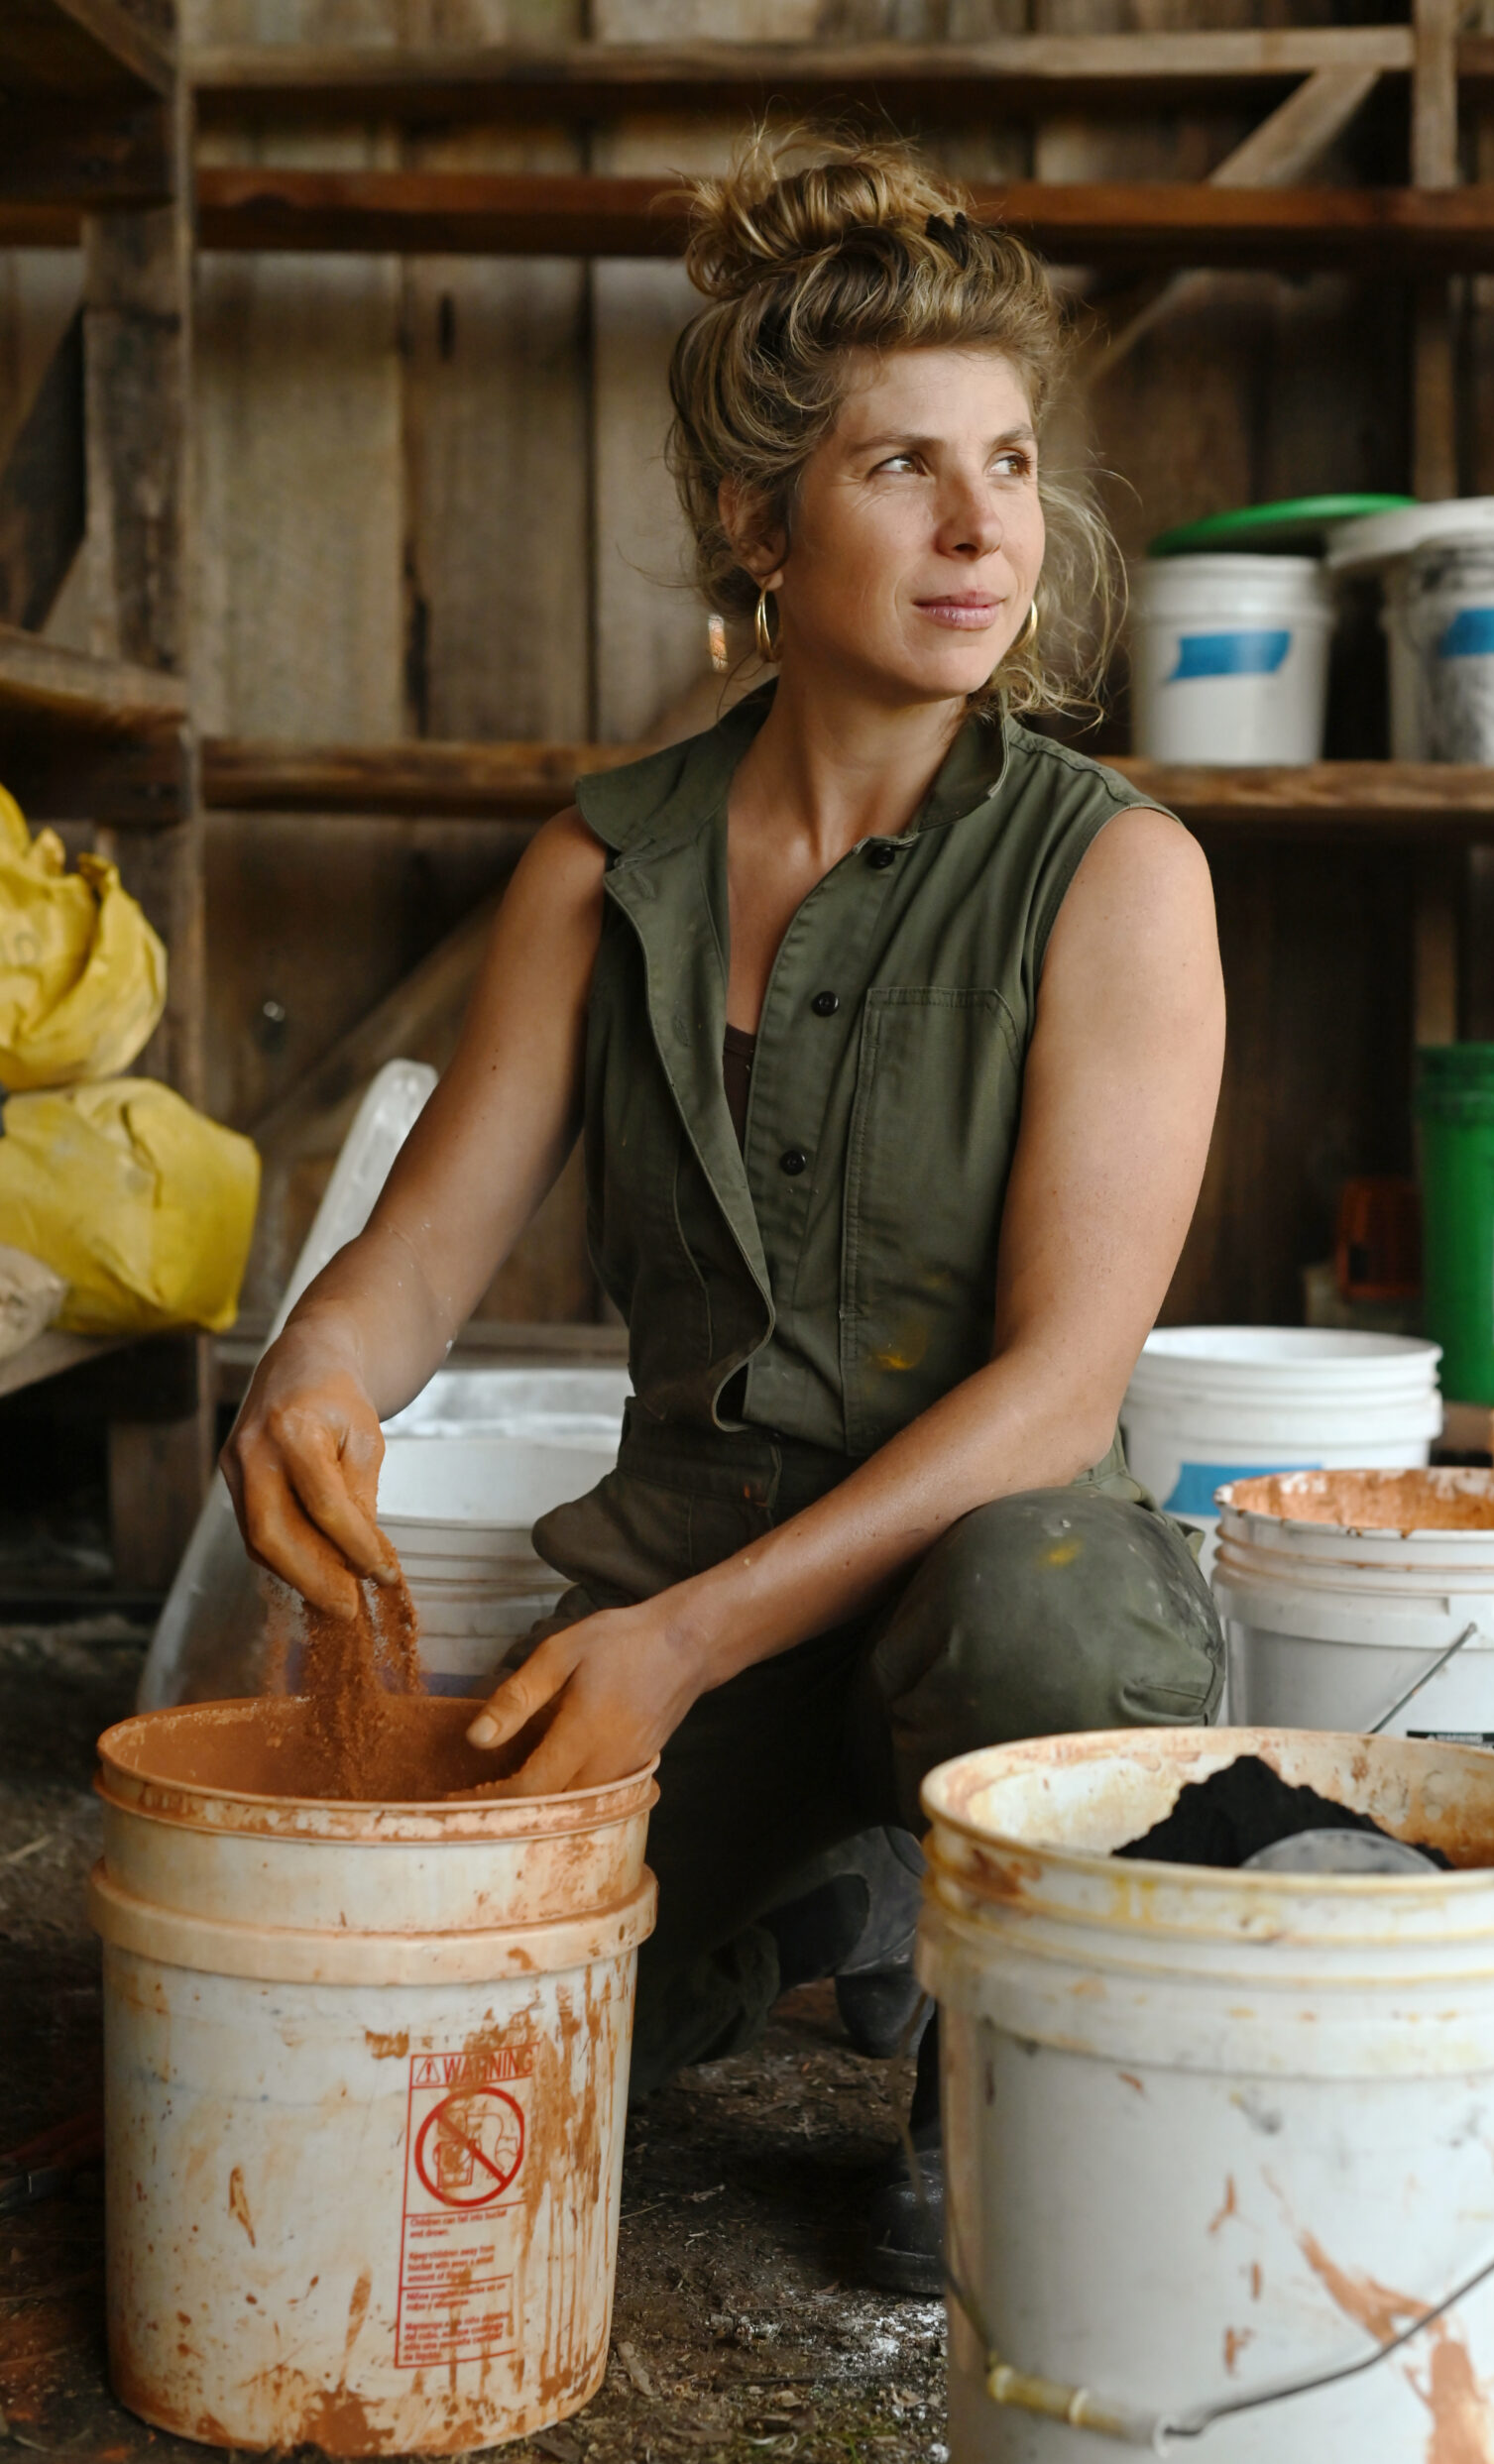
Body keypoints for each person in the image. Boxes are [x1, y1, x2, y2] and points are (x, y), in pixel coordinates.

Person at [222, 128, 1227, 2295]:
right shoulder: (606, 868)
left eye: (1014, 460)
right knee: (444, 2047)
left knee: (1045, 1592)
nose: (984, 529)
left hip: (980, 1593)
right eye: (902, 469)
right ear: (761, 525)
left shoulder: (1115, 875)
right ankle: (828, 1894)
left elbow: (1063, 1393)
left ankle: (996, 2050)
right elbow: (412, 1261)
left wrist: (675, 1647)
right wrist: (309, 1378)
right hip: (680, 1588)